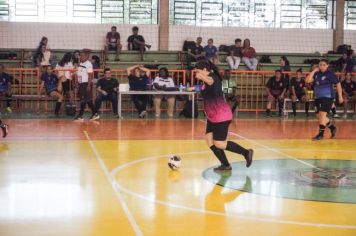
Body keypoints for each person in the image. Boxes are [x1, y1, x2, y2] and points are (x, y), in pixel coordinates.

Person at [193, 59, 253, 172]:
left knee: (219, 143)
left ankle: (246, 152)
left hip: (221, 116)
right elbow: (202, 88)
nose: (196, 73)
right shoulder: (205, 82)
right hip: (212, 116)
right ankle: (226, 165)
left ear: (205, 70)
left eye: (198, 70)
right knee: (209, 141)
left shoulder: (212, 77)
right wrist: (189, 88)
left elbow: (210, 81)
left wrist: (202, 77)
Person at [306, 59, 343, 140]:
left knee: (322, 115)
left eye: (323, 65)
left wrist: (340, 96)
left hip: (328, 97)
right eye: (320, 65)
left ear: (327, 66)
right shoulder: (316, 74)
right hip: (318, 97)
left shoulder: (330, 74)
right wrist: (313, 71)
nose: (321, 66)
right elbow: (307, 80)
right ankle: (332, 127)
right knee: (319, 116)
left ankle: (321, 134)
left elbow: (338, 84)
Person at [74, 49, 95, 120]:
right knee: (87, 100)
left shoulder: (88, 64)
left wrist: (89, 85)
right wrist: (77, 82)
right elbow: (78, 73)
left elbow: (90, 75)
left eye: (82, 56)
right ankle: (95, 113)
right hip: (81, 84)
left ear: (86, 56)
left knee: (84, 100)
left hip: (86, 84)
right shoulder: (80, 63)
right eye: (80, 56)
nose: (81, 57)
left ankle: (80, 115)